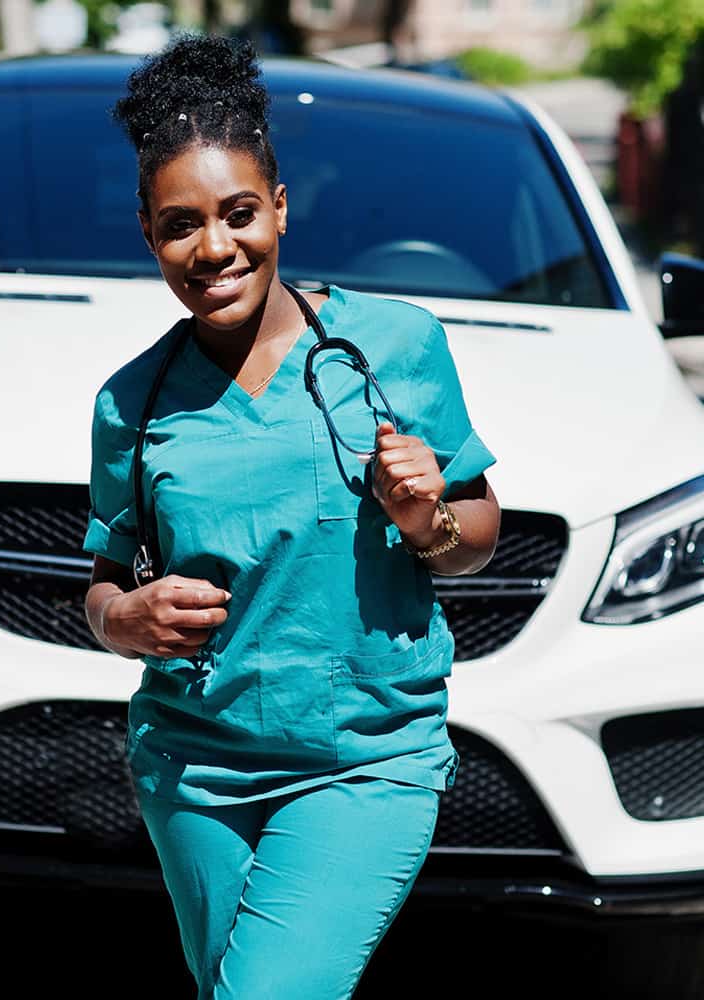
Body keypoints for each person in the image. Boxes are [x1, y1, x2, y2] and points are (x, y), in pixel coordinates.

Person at [83, 34, 501, 1000]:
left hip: (364, 759)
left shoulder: (394, 345)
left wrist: (424, 516)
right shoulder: (130, 403)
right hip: (193, 773)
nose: (214, 247)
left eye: (237, 214)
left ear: (278, 207)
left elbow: (475, 538)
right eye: (181, 224)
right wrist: (122, 622)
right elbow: (103, 581)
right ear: (149, 233)